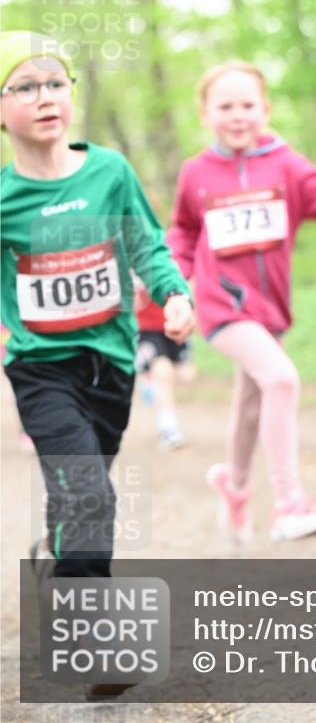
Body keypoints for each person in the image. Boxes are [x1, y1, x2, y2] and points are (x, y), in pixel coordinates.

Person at [0, 30, 195, 585]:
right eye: (24, 86)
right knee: (89, 492)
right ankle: (91, 629)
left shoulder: (108, 171)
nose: (44, 96)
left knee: (80, 489)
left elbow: (146, 244)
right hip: (41, 369)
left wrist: (173, 292)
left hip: (111, 363)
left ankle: (57, 554)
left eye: (56, 82)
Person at [168, 60, 316, 545]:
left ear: (265, 109)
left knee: (251, 403)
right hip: (220, 304)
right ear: (205, 113)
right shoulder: (195, 173)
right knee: (280, 380)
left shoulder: (286, 163)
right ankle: (289, 503)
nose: (237, 115)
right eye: (225, 106)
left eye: (247, 105)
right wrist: (175, 281)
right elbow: (183, 231)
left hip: (270, 308)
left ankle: (234, 485)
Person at [134, 275, 196, 450]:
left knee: (187, 375)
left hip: (172, 323)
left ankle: (147, 386)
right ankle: (168, 428)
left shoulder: (169, 257)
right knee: (163, 371)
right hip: (145, 329)